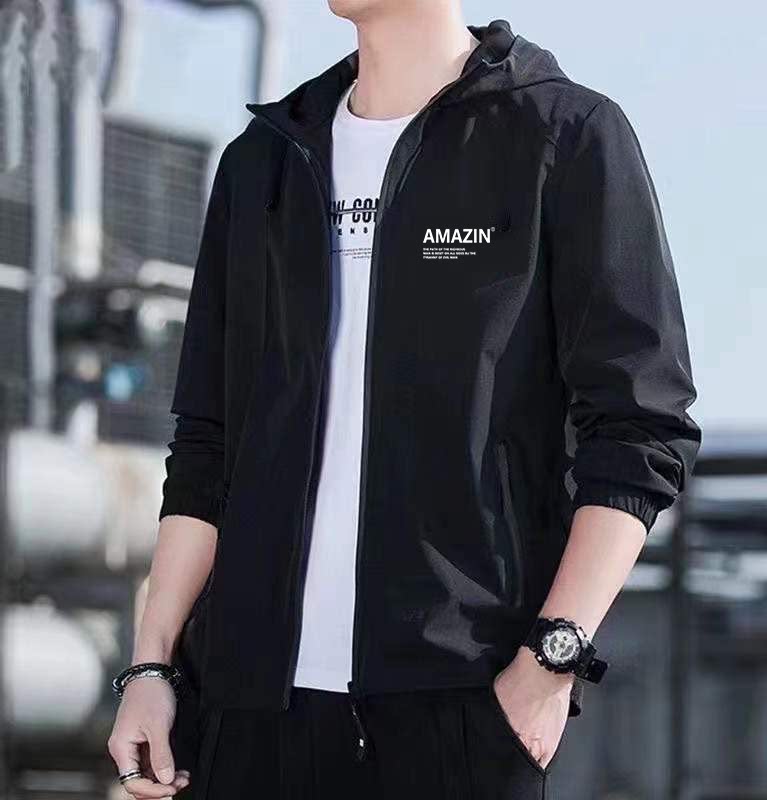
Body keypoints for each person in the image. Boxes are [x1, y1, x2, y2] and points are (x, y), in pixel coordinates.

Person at [107, 3, 701, 799]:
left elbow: (640, 427)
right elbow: (208, 442)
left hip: (456, 706)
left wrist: (552, 658)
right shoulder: (265, 159)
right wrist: (152, 665)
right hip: (244, 715)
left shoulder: (562, 135)